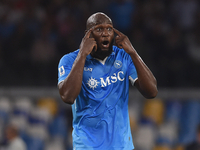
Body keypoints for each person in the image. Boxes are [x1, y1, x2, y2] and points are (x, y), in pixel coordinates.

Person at [58, 12, 158, 150]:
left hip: (122, 147)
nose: (105, 33)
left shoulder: (124, 56)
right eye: (99, 29)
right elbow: (68, 97)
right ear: (88, 35)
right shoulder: (69, 60)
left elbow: (152, 91)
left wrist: (133, 53)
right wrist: (82, 54)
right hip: (87, 146)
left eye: (109, 29)